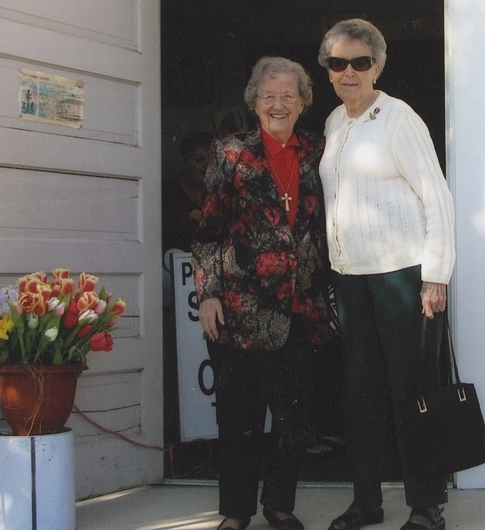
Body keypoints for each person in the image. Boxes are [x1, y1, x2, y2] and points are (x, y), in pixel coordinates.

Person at [317, 18, 456, 530]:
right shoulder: (334, 122)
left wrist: (436, 275)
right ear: (328, 70)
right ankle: (366, 502)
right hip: (351, 278)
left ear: (376, 65)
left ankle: (426, 506)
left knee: (413, 391)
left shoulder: (399, 119)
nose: (348, 72)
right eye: (337, 63)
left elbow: (436, 197)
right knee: (360, 394)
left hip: (403, 276)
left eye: (359, 62)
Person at [192, 56, 334, 530]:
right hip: (238, 309)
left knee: (294, 422)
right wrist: (208, 292)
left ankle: (279, 504)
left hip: (302, 308)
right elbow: (209, 231)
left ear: (302, 102)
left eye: (288, 96)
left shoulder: (318, 150)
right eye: (269, 95)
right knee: (239, 418)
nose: (278, 104)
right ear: (255, 101)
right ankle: (236, 512)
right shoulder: (230, 152)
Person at [162, 131, 214, 252]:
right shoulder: (168, 192)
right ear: (185, 161)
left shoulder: (218, 192)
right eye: (199, 159)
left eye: (211, 159)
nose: (206, 165)